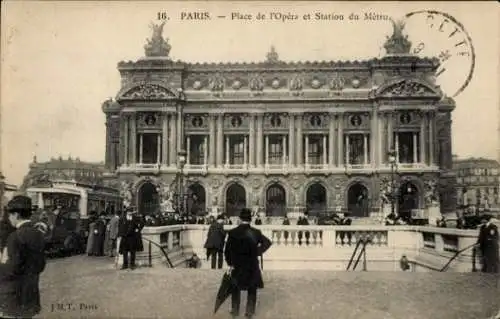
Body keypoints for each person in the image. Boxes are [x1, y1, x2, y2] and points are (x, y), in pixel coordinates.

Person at [0, 196, 46, 318]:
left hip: (14, 296)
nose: (9, 218)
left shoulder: (14, 237)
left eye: (10, 215)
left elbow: (11, 269)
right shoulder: (38, 234)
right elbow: (41, 265)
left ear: (16, 215)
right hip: (31, 293)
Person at [224, 208, 272, 319]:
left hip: (237, 264)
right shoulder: (255, 232)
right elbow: (267, 242)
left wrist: (230, 263)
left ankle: (235, 311)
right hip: (251, 264)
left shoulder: (233, 233)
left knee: (235, 288)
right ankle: (249, 312)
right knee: (252, 288)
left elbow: (227, 250)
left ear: (240, 219)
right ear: (250, 220)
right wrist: (258, 252)